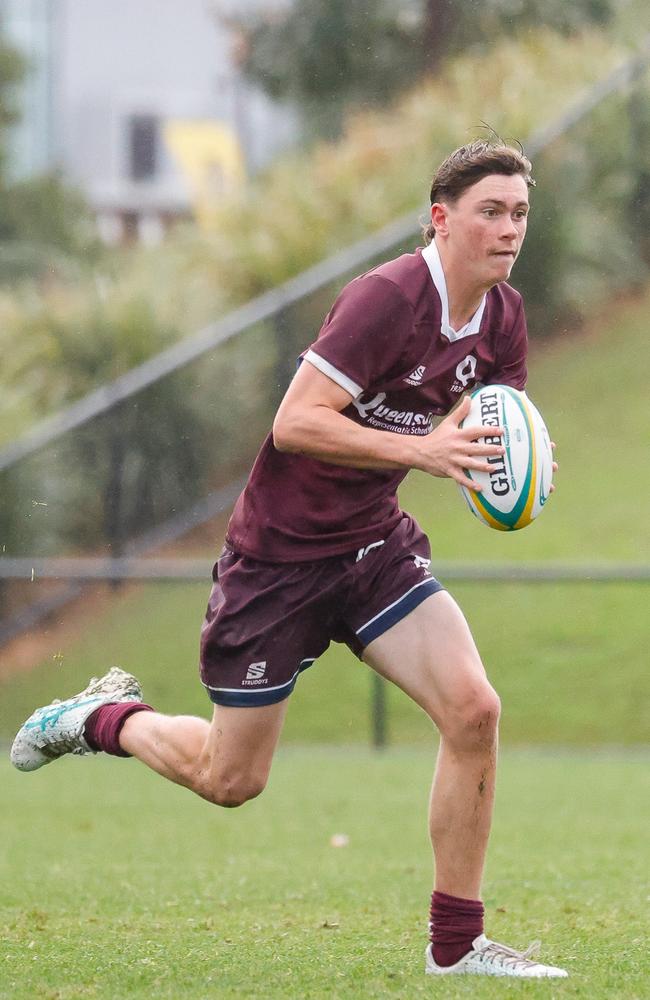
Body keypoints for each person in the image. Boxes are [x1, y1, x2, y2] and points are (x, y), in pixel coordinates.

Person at [11, 139, 567, 979]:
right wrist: (421, 454)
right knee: (230, 779)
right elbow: (295, 423)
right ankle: (98, 720)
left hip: (373, 545)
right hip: (278, 559)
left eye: (520, 212)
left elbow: (490, 435)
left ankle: (457, 947)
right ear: (441, 217)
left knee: (474, 711)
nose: (509, 229)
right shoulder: (384, 298)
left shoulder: (505, 318)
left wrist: (512, 477)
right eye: (491, 210)